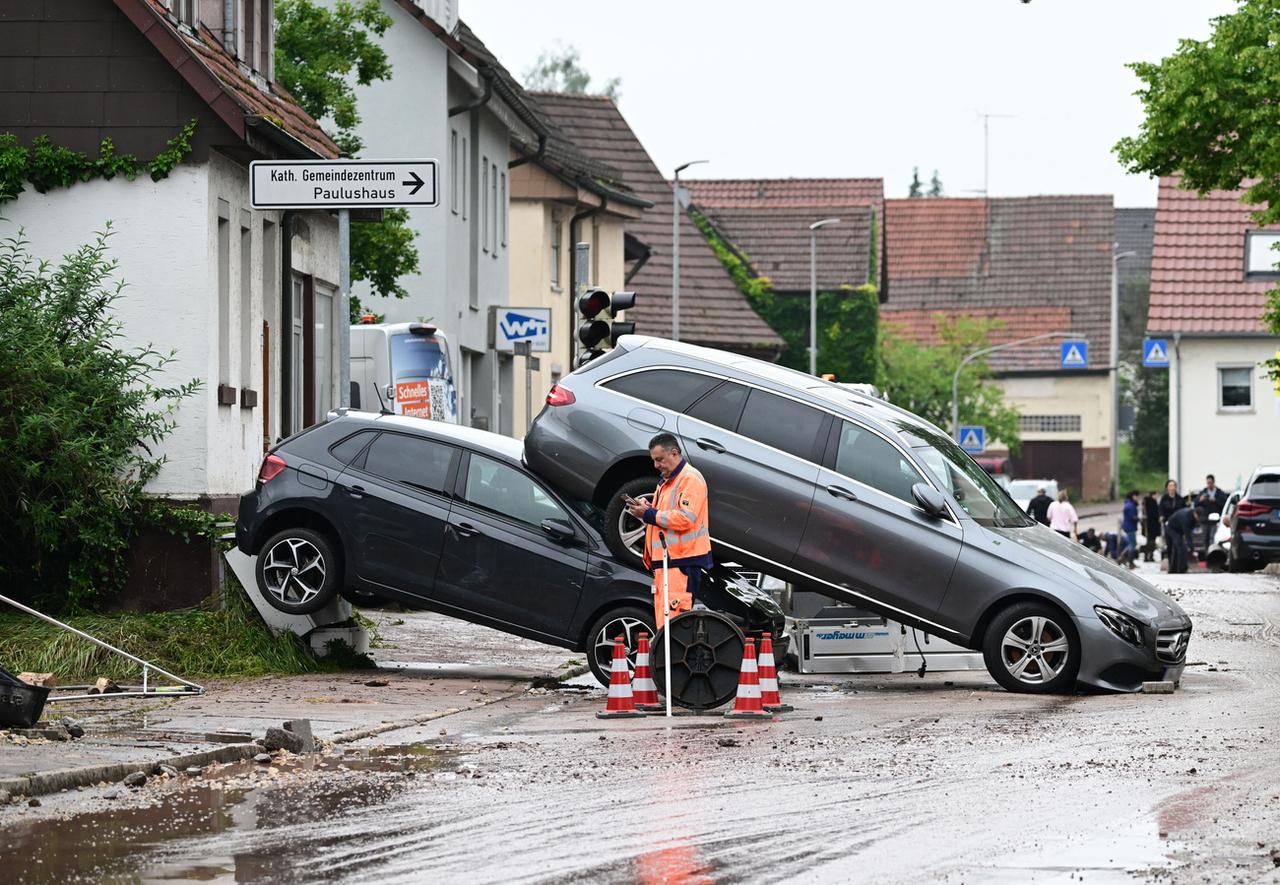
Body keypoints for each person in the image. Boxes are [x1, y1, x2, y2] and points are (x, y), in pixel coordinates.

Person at [626, 433, 713, 628]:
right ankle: (669, 658)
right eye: (654, 460)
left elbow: (685, 518)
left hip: (681, 562)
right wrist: (648, 509)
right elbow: (668, 515)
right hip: (670, 562)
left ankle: (672, 659)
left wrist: (648, 513)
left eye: (659, 460)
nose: (656, 465)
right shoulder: (668, 481)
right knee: (667, 623)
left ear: (674, 453)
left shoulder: (689, 479)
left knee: (675, 625)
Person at [1194, 474, 1228, 556]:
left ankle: (1213, 554)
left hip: (1215, 520)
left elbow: (1224, 504)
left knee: (1213, 538)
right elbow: (1195, 504)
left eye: (1210, 483)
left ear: (1213, 482)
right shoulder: (1203, 492)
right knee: (1205, 539)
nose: (1209, 485)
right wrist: (1200, 499)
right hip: (1204, 520)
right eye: (1208, 483)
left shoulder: (1219, 493)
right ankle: (1207, 555)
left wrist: (1215, 500)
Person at [1164, 506, 1202, 574]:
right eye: (1198, 517)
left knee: (1177, 549)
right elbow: (1188, 535)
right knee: (1181, 548)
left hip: (1178, 529)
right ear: (1195, 514)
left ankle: (1173, 570)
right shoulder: (1186, 518)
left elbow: (1190, 533)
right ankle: (1182, 569)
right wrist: (1192, 549)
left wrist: (1191, 548)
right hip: (1171, 528)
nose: (1198, 519)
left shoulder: (1192, 517)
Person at [1141, 491, 1161, 562]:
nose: (1157, 496)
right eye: (1156, 495)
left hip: (1151, 527)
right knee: (1150, 542)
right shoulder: (1151, 503)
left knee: (1150, 542)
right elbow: (1154, 515)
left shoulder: (1150, 503)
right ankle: (1148, 556)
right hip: (1151, 528)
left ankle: (1149, 556)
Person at [1121, 490, 1140, 561]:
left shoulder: (1129, 504)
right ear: (1133, 496)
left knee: (1131, 544)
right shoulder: (1130, 505)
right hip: (1130, 527)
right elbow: (1133, 517)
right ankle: (1127, 559)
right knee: (1133, 544)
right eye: (1136, 496)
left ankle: (1124, 557)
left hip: (1129, 526)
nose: (1137, 498)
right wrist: (1139, 518)